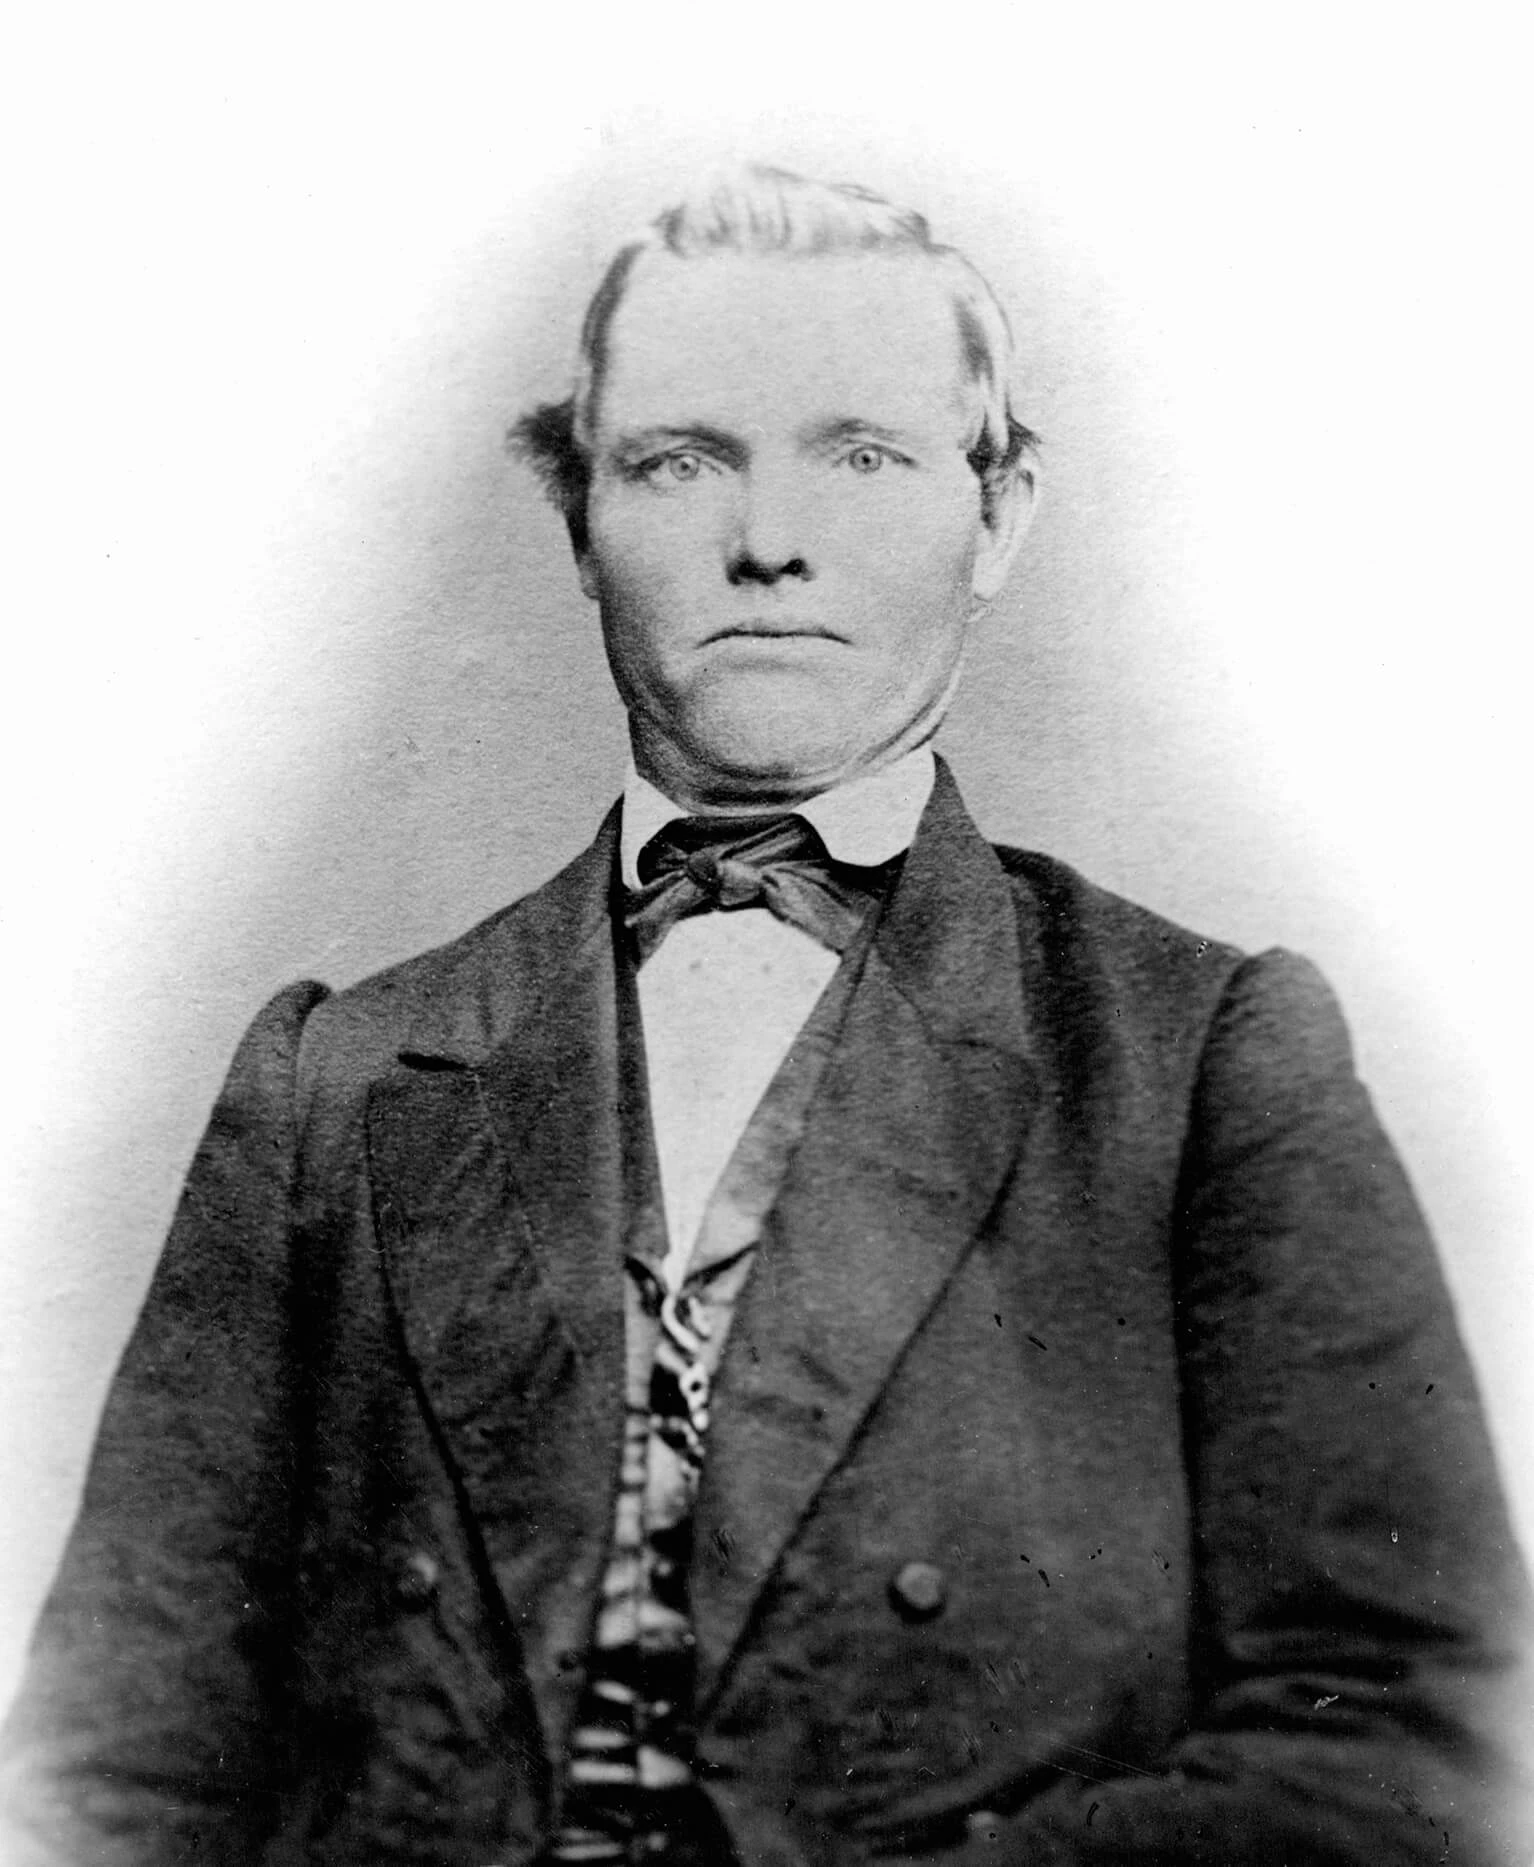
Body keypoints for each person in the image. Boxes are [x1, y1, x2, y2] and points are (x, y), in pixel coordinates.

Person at [2, 165, 1529, 1867]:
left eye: (862, 453)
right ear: (575, 516)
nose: (767, 538)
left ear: (1001, 511)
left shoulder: (1198, 1060)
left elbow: (1412, 1731)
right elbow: (108, 1776)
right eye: (678, 459)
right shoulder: (338, 1077)